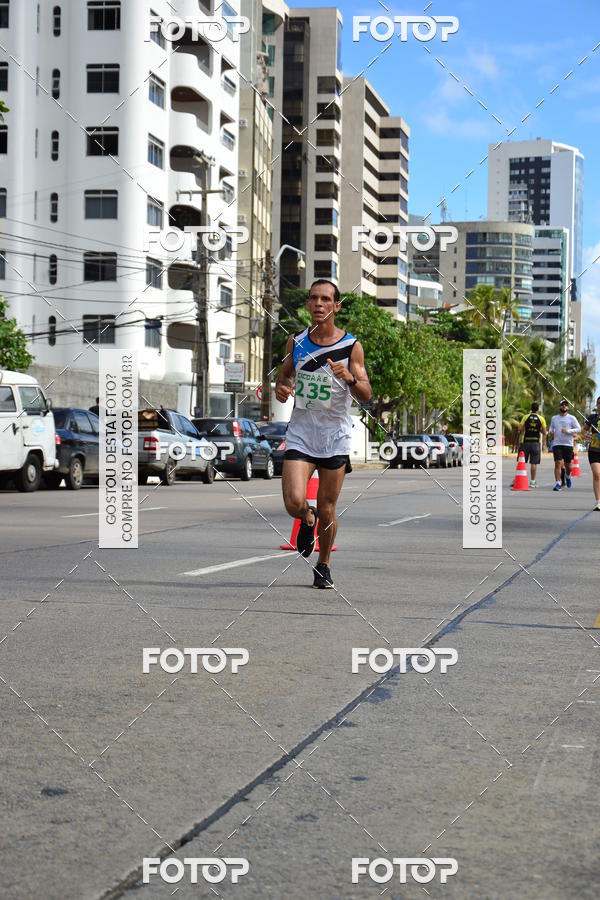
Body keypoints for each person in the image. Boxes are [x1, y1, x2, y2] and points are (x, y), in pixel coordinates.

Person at [275, 280, 372, 589]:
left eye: (326, 299)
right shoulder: (297, 341)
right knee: (293, 501)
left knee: (329, 506)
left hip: (334, 437)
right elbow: (284, 375)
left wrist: (350, 377)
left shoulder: (351, 346)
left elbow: (366, 394)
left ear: (336, 306)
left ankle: (324, 564)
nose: (319, 303)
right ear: (307, 304)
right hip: (302, 433)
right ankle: (306, 518)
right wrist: (282, 388)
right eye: (314, 298)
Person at [547, 399, 580, 491]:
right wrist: (551, 432)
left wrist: (568, 431)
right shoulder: (554, 418)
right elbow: (550, 429)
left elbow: (579, 429)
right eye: (562, 405)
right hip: (557, 444)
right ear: (559, 406)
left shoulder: (572, 418)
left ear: (568, 407)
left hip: (568, 444)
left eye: (566, 405)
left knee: (569, 466)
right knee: (558, 463)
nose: (564, 406)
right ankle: (558, 483)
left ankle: (568, 476)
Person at [517, 402, 546, 487]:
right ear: (537, 409)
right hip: (536, 443)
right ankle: (532, 482)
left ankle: (518, 478)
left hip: (526, 442)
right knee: (534, 463)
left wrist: (525, 428)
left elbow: (520, 429)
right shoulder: (541, 419)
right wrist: (538, 429)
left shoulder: (525, 417)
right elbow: (544, 432)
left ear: (531, 408)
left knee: (521, 461)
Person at [583, 394, 600, 511]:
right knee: (597, 474)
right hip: (594, 450)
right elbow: (585, 430)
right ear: (597, 405)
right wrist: (586, 435)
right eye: (599, 403)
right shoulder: (592, 418)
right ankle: (598, 501)